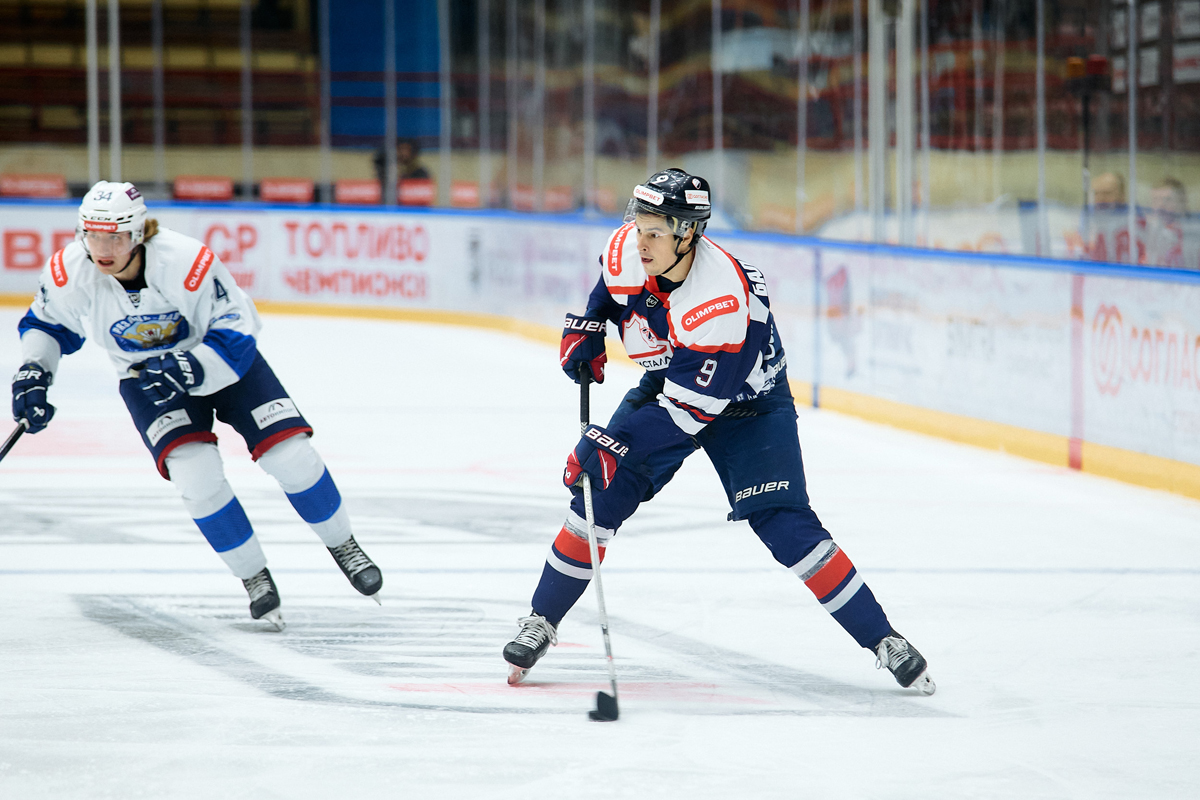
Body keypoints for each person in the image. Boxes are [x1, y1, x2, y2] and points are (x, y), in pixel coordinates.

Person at [501, 168, 936, 695]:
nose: (640, 242)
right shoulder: (632, 247)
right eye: (639, 227)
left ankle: (883, 638)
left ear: (688, 235)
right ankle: (541, 620)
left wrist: (615, 447)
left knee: (785, 527)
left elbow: (687, 414)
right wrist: (591, 326)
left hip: (748, 406)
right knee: (597, 499)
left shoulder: (719, 302)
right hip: (674, 381)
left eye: (655, 232)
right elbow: (610, 292)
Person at [10, 181, 383, 629]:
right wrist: (34, 373)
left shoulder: (186, 260)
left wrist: (190, 366)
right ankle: (253, 576)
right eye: (93, 236)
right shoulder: (70, 271)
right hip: (146, 379)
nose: (103, 250)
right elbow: (47, 325)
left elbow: (238, 328)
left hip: (223, 363)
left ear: (138, 233)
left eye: (116, 238)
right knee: (195, 475)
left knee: (291, 456)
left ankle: (343, 544)